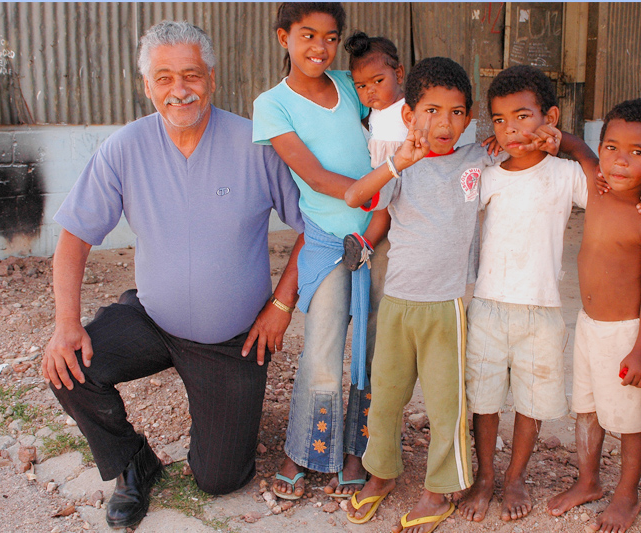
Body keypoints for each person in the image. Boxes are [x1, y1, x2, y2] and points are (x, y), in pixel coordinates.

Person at [41, 21, 304, 530]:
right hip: (153, 316)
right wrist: (66, 321)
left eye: (190, 75)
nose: (178, 89)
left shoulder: (257, 144)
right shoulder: (125, 148)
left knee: (220, 479)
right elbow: (74, 236)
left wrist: (280, 305)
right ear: (147, 86)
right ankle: (132, 461)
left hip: (233, 340)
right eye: (163, 78)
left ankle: (218, 423)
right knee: (66, 365)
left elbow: (313, 226)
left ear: (211, 77)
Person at [458, 70, 641, 525]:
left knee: (533, 401)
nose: (512, 131)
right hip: (489, 305)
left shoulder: (568, 176)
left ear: (550, 118)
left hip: (543, 310)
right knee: (485, 398)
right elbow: (451, 195)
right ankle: (485, 477)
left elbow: (612, 182)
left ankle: (515, 476)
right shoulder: (488, 175)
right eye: (499, 121)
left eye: (523, 118)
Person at [343, 56, 504, 533]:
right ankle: (380, 475)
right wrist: (397, 163)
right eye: (432, 110)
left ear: (469, 118)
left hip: (447, 305)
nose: (444, 122)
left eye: (457, 112)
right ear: (410, 114)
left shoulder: (477, 157)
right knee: (387, 396)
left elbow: (523, 144)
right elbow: (356, 198)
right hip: (397, 301)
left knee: (444, 403)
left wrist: (555, 138)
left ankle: (440, 488)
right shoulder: (400, 161)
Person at [252, 2, 376, 500]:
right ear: (283, 37)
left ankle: (358, 453)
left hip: (380, 237)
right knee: (322, 351)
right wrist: (383, 187)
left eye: (330, 37)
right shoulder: (273, 104)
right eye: (307, 35)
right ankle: (302, 451)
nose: (320, 48)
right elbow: (318, 178)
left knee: (371, 348)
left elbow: (396, 116)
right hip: (327, 240)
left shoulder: (351, 85)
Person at [547, 99, 641, 533]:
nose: (620, 161)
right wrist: (541, 133)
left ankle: (626, 494)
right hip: (587, 325)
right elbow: (578, 147)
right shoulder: (596, 184)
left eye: (637, 153)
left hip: (625, 335)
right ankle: (588, 481)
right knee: (587, 410)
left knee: (630, 421)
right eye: (612, 148)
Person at [340, 30, 405, 272]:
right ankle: (364, 245)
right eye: (362, 86)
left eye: (378, 81)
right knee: (381, 212)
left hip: (402, 174)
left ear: (398, 74)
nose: (371, 91)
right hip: (382, 175)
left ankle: (367, 243)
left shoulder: (407, 107)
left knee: (390, 214)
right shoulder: (373, 112)